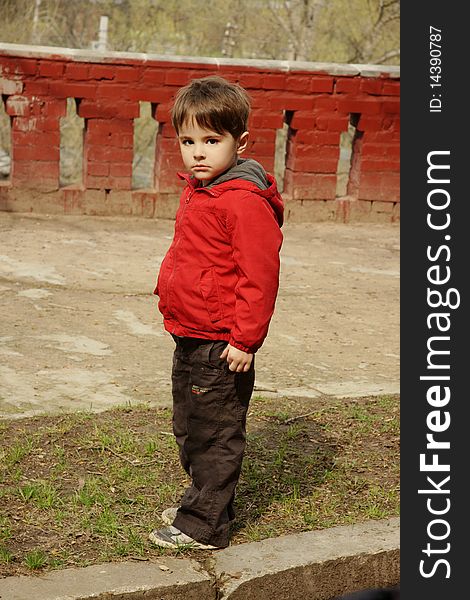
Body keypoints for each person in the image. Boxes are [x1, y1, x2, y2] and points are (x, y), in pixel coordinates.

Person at [149, 75, 284, 550]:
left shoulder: (244, 203)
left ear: (239, 142)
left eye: (211, 140)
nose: (198, 153)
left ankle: (204, 525)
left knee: (215, 434)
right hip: (190, 332)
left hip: (222, 344)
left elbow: (259, 276)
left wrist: (244, 341)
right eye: (188, 141)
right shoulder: (200, 190)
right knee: (189, 427)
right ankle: (206, 501)